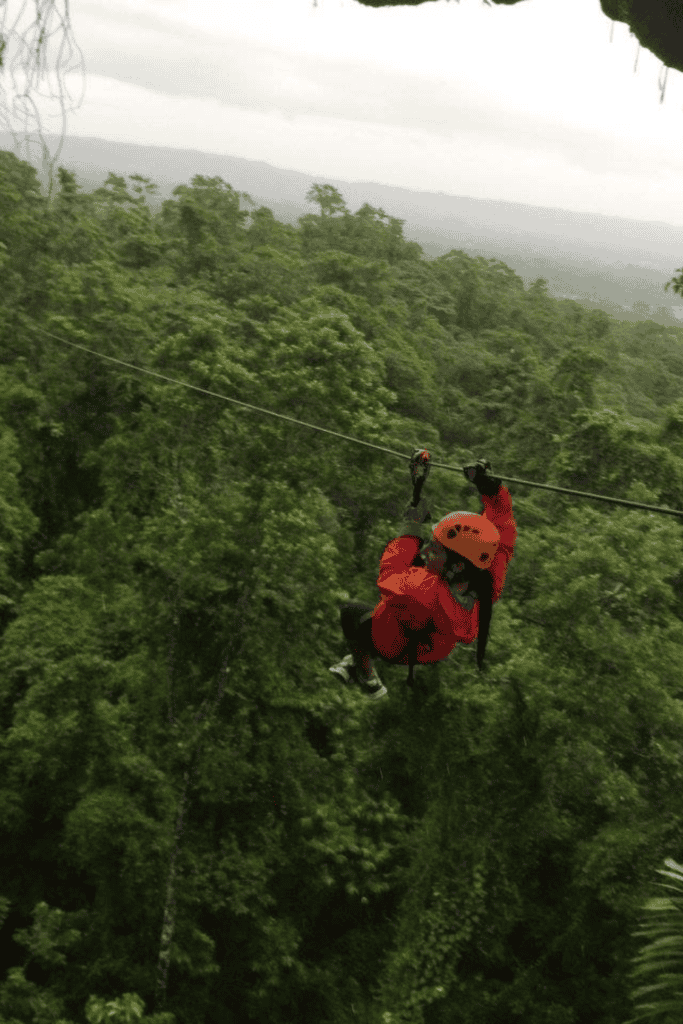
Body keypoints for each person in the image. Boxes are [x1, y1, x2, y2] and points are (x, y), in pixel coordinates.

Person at [329, 460, 517, 699]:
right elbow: (502, 532)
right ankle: (356, 662)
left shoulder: (419, 589)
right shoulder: (485, 583)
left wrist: (412, 526)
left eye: (436, 549)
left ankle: (365, 675)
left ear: (457, 565)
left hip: (393, 643)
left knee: (351, 614)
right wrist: (491, 490)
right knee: (412, 577)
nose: (428, 550)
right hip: (433, 646)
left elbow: (391, 570)